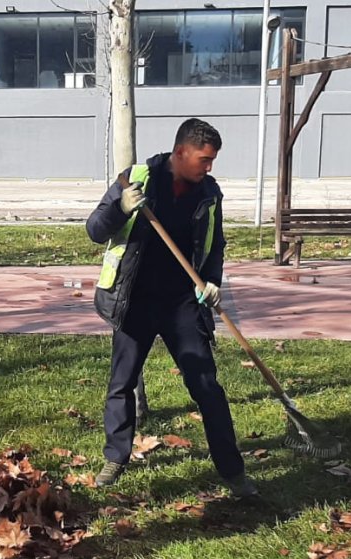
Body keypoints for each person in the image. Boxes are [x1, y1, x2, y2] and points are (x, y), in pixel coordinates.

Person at [85, 118, 256, 498]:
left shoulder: (209, 193)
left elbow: (216, 245)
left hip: (183, 303)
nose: (209, 167)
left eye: (212, 160)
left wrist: (212, 280)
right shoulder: (138, 178)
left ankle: (233, 471)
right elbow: (96, 229)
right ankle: (116, 457)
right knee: (122, 383)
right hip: (135, 300)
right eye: (204, 159)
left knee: (207, 387)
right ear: (181, 153)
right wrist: (121, 208)